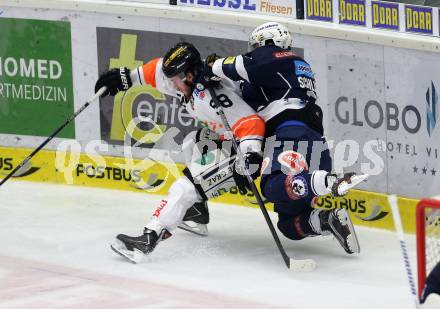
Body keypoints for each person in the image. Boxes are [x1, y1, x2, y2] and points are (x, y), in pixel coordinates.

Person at [95, 42, 266, 263]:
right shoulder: (183, 81)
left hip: (244, 150)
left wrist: (250, 157)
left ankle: (149, 237)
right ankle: (196, 212)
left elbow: (251, 123)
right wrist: (125, 77)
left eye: (176, 79)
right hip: (223, 139)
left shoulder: (216, 94)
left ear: (191, 74)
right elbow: (156, 70)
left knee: (185, 187)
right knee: (191, 143)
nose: (172, 85)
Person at [205, 22, 367, 254]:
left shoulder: (276, 55)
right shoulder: (284, 72)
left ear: (266, 41)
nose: (253, 51)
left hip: (289, 135)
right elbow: (245, 95)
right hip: (313, 142)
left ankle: (325, 182)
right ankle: (326, 219)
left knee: (270, 186)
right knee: (289, 225)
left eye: (256, 47)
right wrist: (220, 82)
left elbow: (241, 65)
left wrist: (210, 67)